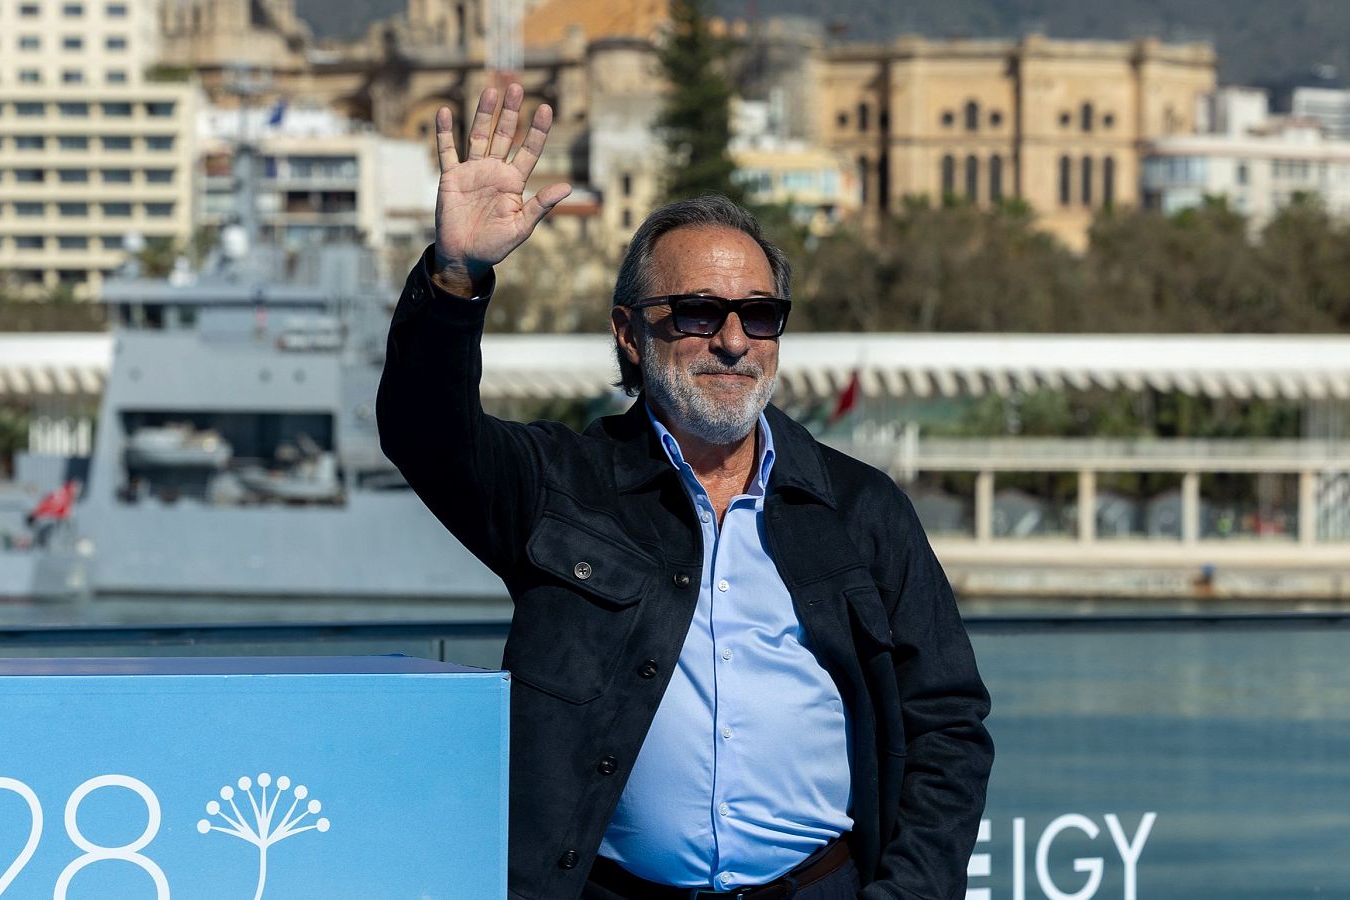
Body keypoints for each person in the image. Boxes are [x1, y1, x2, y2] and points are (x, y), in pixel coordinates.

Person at [377, 82, 993, 900]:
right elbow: (425, 434)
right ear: (630, 335)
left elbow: (946, 723)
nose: (733, 340)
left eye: (760, 314)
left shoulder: (861, 510)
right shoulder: (560, 488)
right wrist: (455, 277)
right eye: (698, 312)